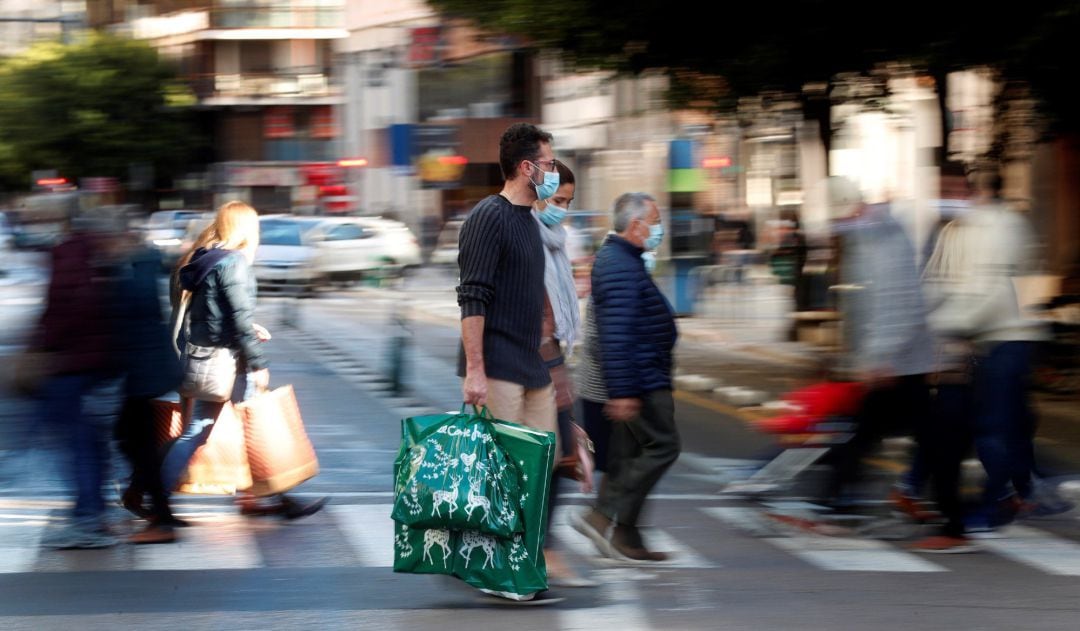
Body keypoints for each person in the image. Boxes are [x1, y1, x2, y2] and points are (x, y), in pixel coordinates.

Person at [162, 200, 326, 519]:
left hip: (207, 358)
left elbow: (211, 314)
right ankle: (275, 498)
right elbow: (236, 317)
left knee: (202, 429)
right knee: (252, 428)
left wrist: (248, 327)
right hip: (230, 362)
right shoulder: (233, 262)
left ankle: (256, 498)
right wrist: (257, 361)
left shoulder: (204, 260)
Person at [455, 122, 560, 604]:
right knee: (504, 475)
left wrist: (554, 365)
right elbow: (472, 298)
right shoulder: (488, 217)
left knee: (541, 468)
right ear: (527, 167)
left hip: (531, 367)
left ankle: (516, 563)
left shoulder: (530, 220)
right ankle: (501, 571)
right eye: (550, 163)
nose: (554, 172)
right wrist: (475, 370)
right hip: (497, 366)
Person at [570, 192, 679, 562]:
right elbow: (617, 333)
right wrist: (624, 391)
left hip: (641, 376)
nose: (659, 230)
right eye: (656, 222)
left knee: (629, 454)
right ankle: (600, 516)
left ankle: (626, 537)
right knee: (663, 447)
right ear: (636, 226)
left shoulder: (626, 260)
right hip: (640, 380)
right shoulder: (619, 264)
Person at [822, 177, 936, 511]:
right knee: (916, 431)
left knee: (869, 431)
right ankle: (848, 497)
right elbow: (865, 304)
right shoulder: (867, 236)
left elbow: (895, 301)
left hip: (900, 360)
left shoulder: (883, 237)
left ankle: (837, 500)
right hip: (894, 359)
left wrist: (880, 356)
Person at [32, 214, 124, 549]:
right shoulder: (98, 258)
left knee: (76, 444)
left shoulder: (69, 257)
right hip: (100, 365)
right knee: (91, 443)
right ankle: (95, 513)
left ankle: (88, 519)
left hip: (72, 366)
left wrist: (46, 342)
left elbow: (64, 310)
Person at [533, 161, 595, 587]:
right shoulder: (529, 238)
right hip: (533, 362)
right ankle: (543, 549)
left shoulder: (555, 242)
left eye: (568, 203)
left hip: (550, 359)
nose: (563, 211)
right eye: (557, 201)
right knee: (555, 458)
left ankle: (542, 547)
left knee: (560, 458)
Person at [110, 230, 185, 543]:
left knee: (136, 444)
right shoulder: (144, 268)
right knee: (136, 442)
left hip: (142, 373)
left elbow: (126, 324)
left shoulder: (134, 275)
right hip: (146, 371)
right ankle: (155, 508)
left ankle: (161, 519)